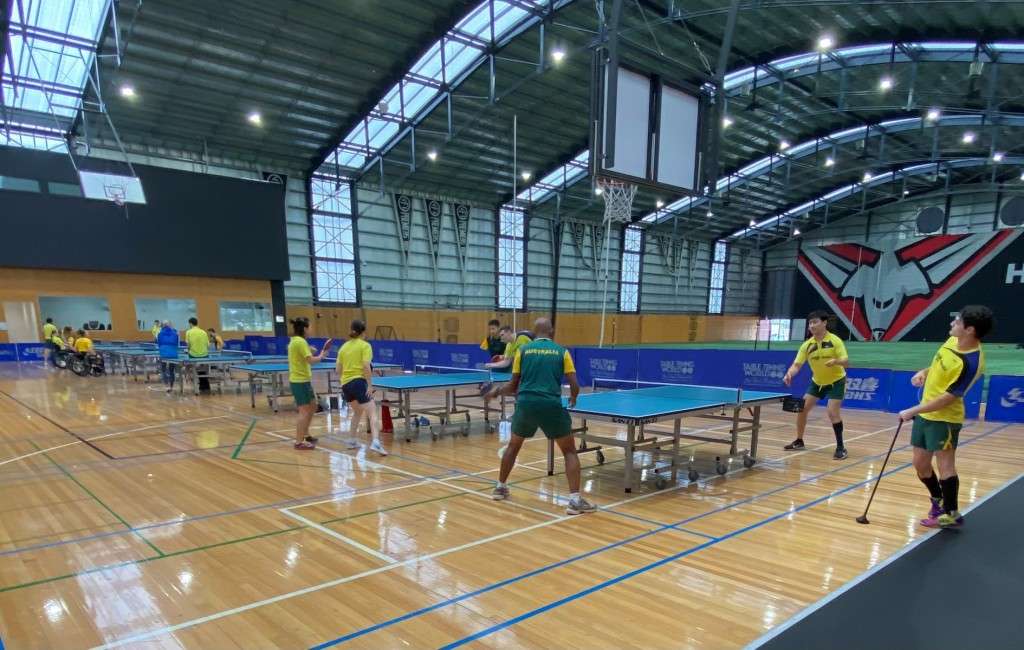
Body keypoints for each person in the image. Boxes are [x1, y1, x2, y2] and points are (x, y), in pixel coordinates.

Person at [486, 317, 595, 515]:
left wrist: (497, 391)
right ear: (551, 331)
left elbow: (512, 386)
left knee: (513, 446)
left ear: (534, 333)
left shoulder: (523, 351)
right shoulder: (562, 352)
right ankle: (575, 501)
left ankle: (500, 487)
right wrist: (573, 397)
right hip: (550, 405)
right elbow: (574, 384)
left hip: (526, 404)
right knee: (569, 451)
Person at [899, 305, 991, 529]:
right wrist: (924, 372)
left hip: (945, 419)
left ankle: (951, 513)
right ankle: (939, 500)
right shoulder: (952, 341)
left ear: (969, 330)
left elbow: (949, 398)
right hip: (926, 414)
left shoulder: (972, 362)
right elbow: (938, 364)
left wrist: (914, 410)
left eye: (957, 322)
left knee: (946, 466)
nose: (952, 324)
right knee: (920, 464)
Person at [782, 310, 850, 459]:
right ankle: (799, 441)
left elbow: (845, 361)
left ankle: (841, 447)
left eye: (815, 322)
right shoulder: (807, 345)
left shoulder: (835, 340)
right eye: (810, 323)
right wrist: (789, 374)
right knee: (802, 409)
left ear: (824, 323)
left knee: (832, 412)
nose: (811, 326)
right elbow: (797, 365)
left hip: (836, 381)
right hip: (817, 382)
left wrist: (836, 361)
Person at [337, 319, 388, 455]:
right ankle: (376, 442)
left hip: (346, 385)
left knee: (358, 412)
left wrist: (345, 380)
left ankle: (352, 440)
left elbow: (338, 370)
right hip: (359, 382)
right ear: (363, 332)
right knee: (372, 413)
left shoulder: (343, 347)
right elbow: (366, 366)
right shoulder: (365, 346)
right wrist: (369, 385)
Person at [288, 317, 333, 450]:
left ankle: (306, 434)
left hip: (303, 381)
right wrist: (321, 356)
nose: (311, 329)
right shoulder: (300, 342)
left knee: (313, 406)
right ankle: (298, 441)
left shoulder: (296, 341)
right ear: (305, 328)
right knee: (304, 411)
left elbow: (303, 355)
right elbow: (310, 360)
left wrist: (310, 351)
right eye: (310, 327)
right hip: (299, 381)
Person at [185, 317, 211, 392]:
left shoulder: (189, 332)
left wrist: (189, 350)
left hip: (193, 355)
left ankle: (189, 379)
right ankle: (205, 385)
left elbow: (188, 345)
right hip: (205, 355)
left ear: (190, 323)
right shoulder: (203, 332)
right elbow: (208, 345)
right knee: (202, 369)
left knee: (188, 366)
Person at [157, 321, 180, 393]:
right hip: (173, 354)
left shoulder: (160, 334)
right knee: (171, 370)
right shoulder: (175, 333)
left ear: (162, 326)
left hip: (163, 354)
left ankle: (166, 385)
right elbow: (177, 344)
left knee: (163, 369)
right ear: (170, 326)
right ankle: (171, 386)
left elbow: (159, 344)